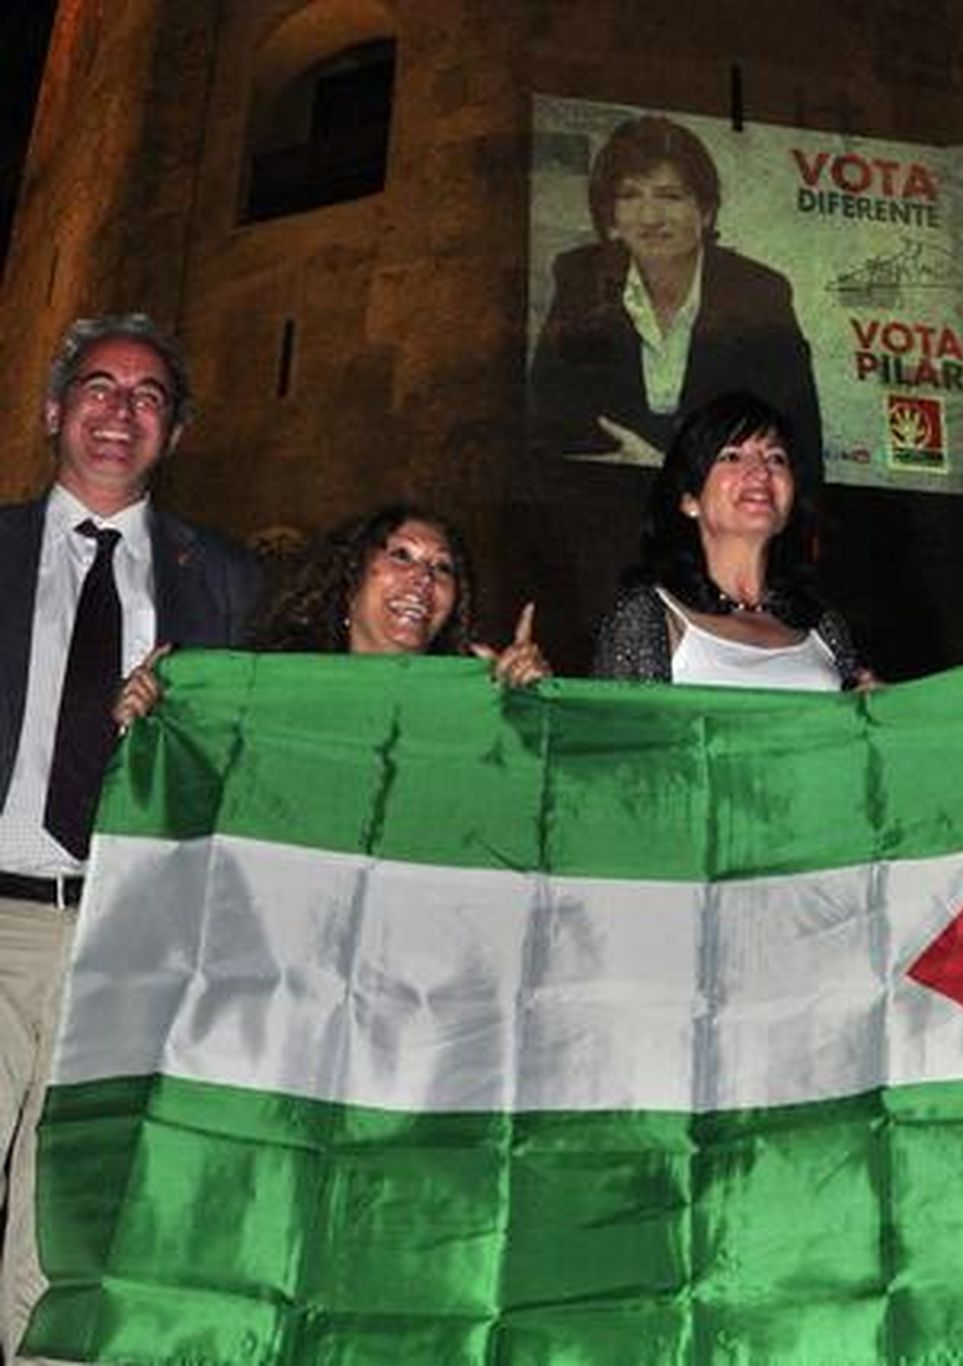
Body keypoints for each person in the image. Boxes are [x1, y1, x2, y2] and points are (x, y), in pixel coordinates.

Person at [0, 313, 261, 1358]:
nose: (121, 410)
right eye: (100, 388)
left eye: (148, 396)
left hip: (122, 934)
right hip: (1, 903)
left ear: (176, 432)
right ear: (56, 410)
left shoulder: (224, 578)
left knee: (63, 1222)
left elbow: (252, 752)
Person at [529, 115, 823, 479]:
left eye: (670, 196)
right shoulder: (580, 277)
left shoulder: (759, 293)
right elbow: (548, 422)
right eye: (630, 196)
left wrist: (669, 469)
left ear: (706, 210)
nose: (650, 217)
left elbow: (797, 442)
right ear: (611, 218)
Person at [114, 504, 550, 727]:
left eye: (442, 567)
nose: (422, 578)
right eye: (401, 555)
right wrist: (160, 718)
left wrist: (535, 713)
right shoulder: (264, 694)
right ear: (352, 579)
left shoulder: (474, 708)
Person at [592, 391, 866, 690]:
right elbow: (614, 730)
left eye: (776, 458)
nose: (760, 471)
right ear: (690, 500)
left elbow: (859, 730)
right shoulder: (651, 615)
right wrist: (538, 702)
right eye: (732, 456)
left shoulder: (822, 626)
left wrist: (879, 712)